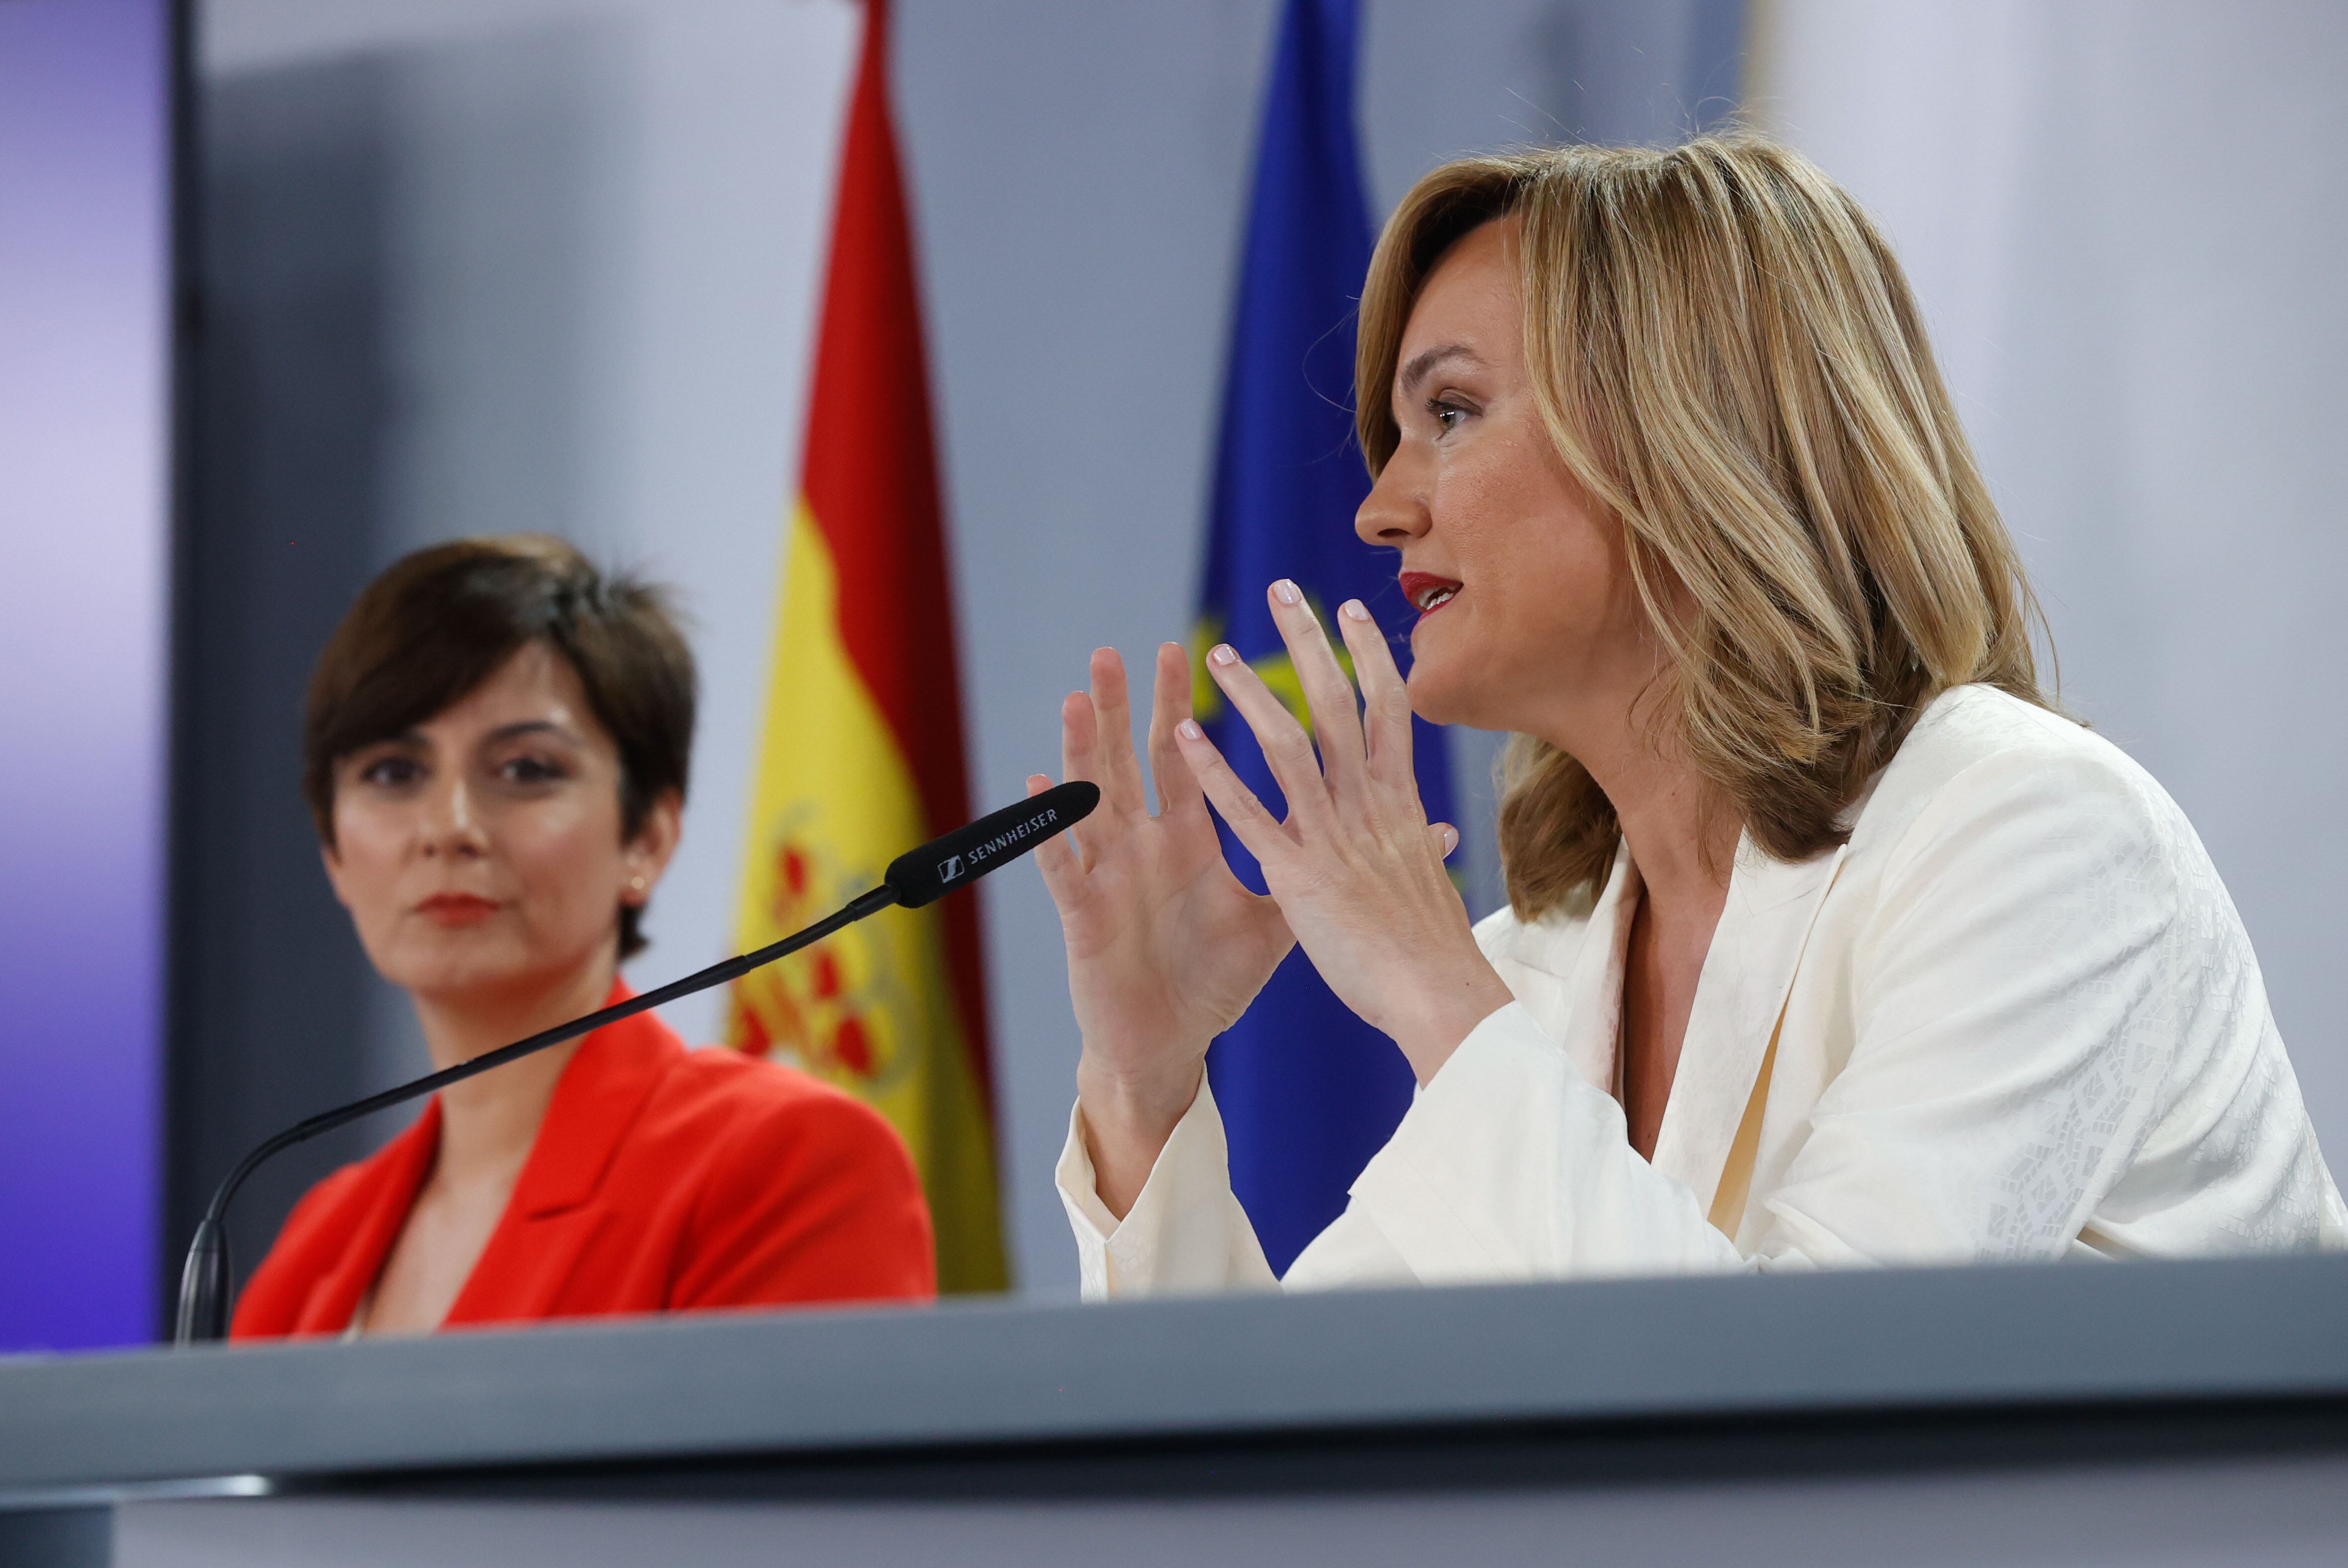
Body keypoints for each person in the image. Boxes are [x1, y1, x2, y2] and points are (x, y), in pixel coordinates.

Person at [1037, 135, 2347, 1295]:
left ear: (1686, 435)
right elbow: (1296, 1463)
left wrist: (1430, 992)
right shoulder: (1548, 960)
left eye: (1451, 412)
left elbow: (1823, 1415)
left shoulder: (2038, 840)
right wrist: (1146, 1086)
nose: (1380, 509)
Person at [233, 536, 934, 1338]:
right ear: (333, 850)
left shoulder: (783, 1163)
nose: (449, 829)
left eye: (527, 769)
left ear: (648, 839)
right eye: (394, 772)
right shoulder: (314, 1245)